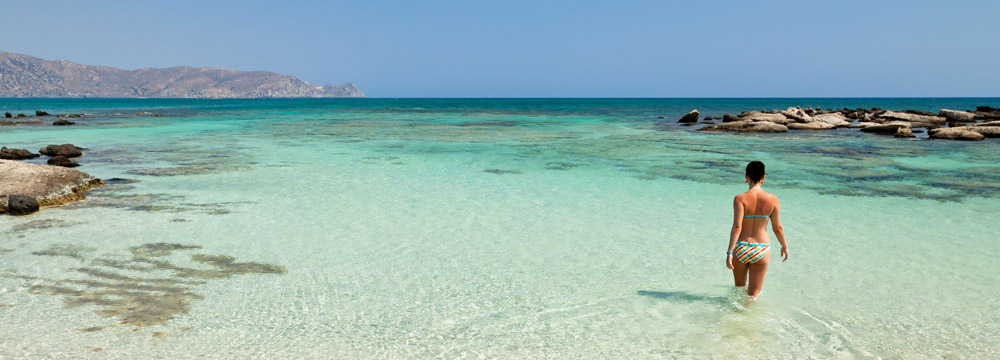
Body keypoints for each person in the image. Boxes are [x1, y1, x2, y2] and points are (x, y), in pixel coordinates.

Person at [726, 161, 788, 299]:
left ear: (746, 176)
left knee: (739, 290)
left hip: (741, 247)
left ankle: (735, 315)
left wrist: (729, 252)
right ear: (763, 177)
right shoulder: (773, 199)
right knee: (753, 295)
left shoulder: (739, 199)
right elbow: (777, 227)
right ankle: (748, 317)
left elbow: (737, 227)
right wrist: (784, 246)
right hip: (761, 248)